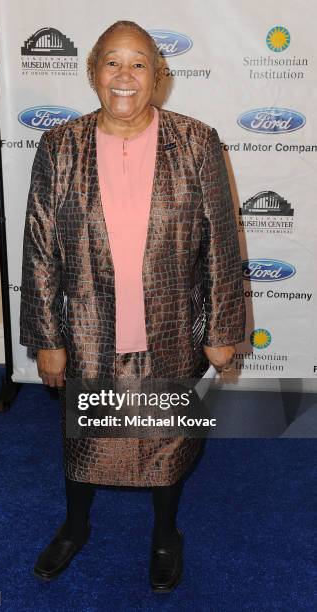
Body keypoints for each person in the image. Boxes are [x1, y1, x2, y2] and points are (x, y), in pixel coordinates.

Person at [19, 20, 245, 593]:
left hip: (173, 324)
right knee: (87, 436)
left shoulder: (197, 142)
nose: (125, 75)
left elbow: (221, 241)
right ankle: (75, 526)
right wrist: (47, 337)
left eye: (139, 63)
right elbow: (41, 247)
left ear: (158, 77)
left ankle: (167, 534)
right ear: (94, 71)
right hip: (91, 326)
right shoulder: (59, 146)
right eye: (112, 62)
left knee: (165, 439)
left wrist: (221, 329)